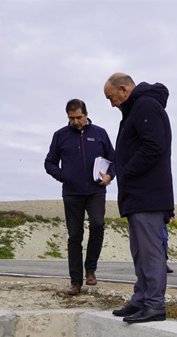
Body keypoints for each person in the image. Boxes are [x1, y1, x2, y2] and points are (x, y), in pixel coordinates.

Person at [104, 72, 173, 323]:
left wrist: (127, 171)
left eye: (111, 97)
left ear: (123, 89)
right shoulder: (134, 110)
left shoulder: (145, 105)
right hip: (137, 195)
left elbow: (154, 146)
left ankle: (155, 304)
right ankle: (141, 298)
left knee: (151, 251)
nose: (111, 103)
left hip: (148, 194)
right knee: (140, 251)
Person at [44, 98, 115, 295]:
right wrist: (62, 175)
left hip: (96, 191)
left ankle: (90, 269)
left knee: (98, 225)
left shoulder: (100, 134)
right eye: (71, 118)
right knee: (75, 236)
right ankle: (75, 281)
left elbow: (114, 160)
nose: (75, 121)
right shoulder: (60, 136)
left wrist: (109, 176)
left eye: (79, 117)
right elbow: (49, 163)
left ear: (86, 114)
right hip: (72, 193)